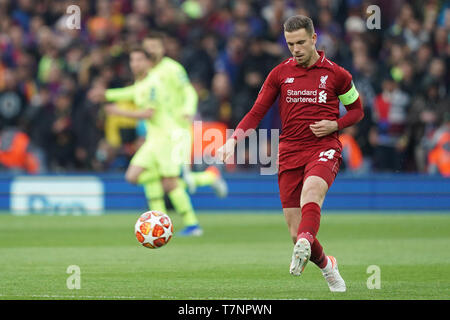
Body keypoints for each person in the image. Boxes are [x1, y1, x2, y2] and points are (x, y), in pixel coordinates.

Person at [217, 15, 364, 292]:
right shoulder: (279, 74)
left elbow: (357, 111)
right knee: (297, 232)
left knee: (312, 194)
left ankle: (306, 245)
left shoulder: (337, 75)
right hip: (289, 152)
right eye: (289, 44)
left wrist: (336, 124)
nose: (295, 49)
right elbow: (257, 111)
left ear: (313, 39)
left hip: (324, 148)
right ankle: (328, 266)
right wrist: (233, 140)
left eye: (299, 43)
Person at [91, 46, 202, 236]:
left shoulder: (154, 83)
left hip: (166, 138)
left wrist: (117, 111)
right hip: (154, 140)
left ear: (148, 63)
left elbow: (148, 113)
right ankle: (168, 219)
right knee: (132, 177)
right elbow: (131, 92)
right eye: (133, 60)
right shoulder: (142, 83)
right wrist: (107, 95)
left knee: (170, 183)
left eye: (140, 60)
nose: (135, 64)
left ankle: (192, 224)